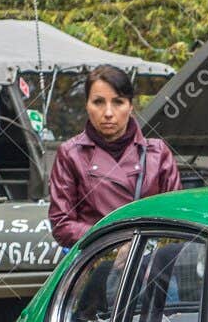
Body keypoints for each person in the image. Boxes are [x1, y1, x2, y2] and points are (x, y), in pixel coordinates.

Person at [47, 65, 182, 247]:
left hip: (151, 264)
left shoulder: (158, 153)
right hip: (95, 264)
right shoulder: (70, 154)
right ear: (87, 105)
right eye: (98, 102)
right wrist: (112, 243)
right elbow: (62, 225)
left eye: (118, 102)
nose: (108, 113)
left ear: (130, 106)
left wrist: (141, 246)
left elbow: (176, 217)